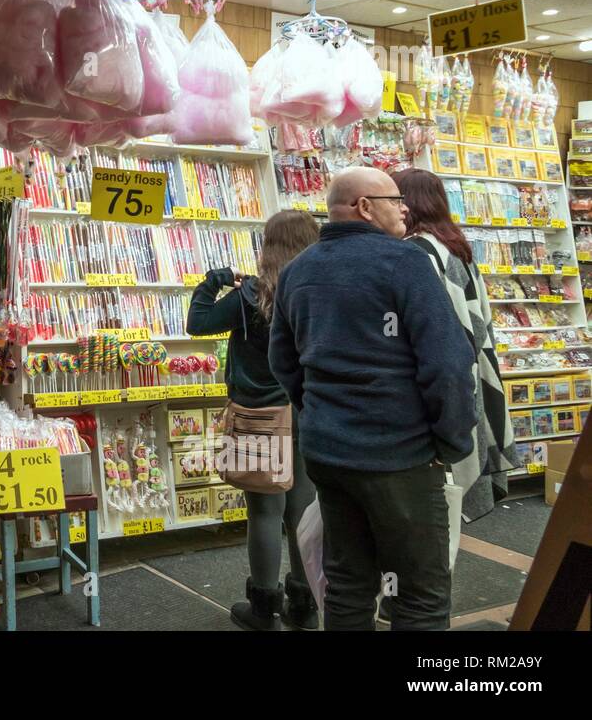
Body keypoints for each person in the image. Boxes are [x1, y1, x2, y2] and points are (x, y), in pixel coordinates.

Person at [268, 166, 477, 631]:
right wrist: (452, 440)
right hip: (400, 454)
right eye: (395, 199)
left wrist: (323, 415)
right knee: (419, 593)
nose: (404, 207)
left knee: (346, 583)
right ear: (365, 206)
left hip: (329, 454)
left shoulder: (298, 271)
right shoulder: (404, 263)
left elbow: (284, 362)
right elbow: (447, 365)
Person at [187, 210, 320, 630]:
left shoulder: (251, 295)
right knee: (301, 508)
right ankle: (305, 603)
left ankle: (264, 610)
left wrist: (214, 279)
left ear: (269, 246)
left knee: (264, 509)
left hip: (260, 411)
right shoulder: (317, 289)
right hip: (307, 409)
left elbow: (197, 322)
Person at [392, 168, 515, 522]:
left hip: (439, 382)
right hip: (469, 373)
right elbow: (475, 324)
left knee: (432, 507)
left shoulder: (418, 252)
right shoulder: (455, 246)